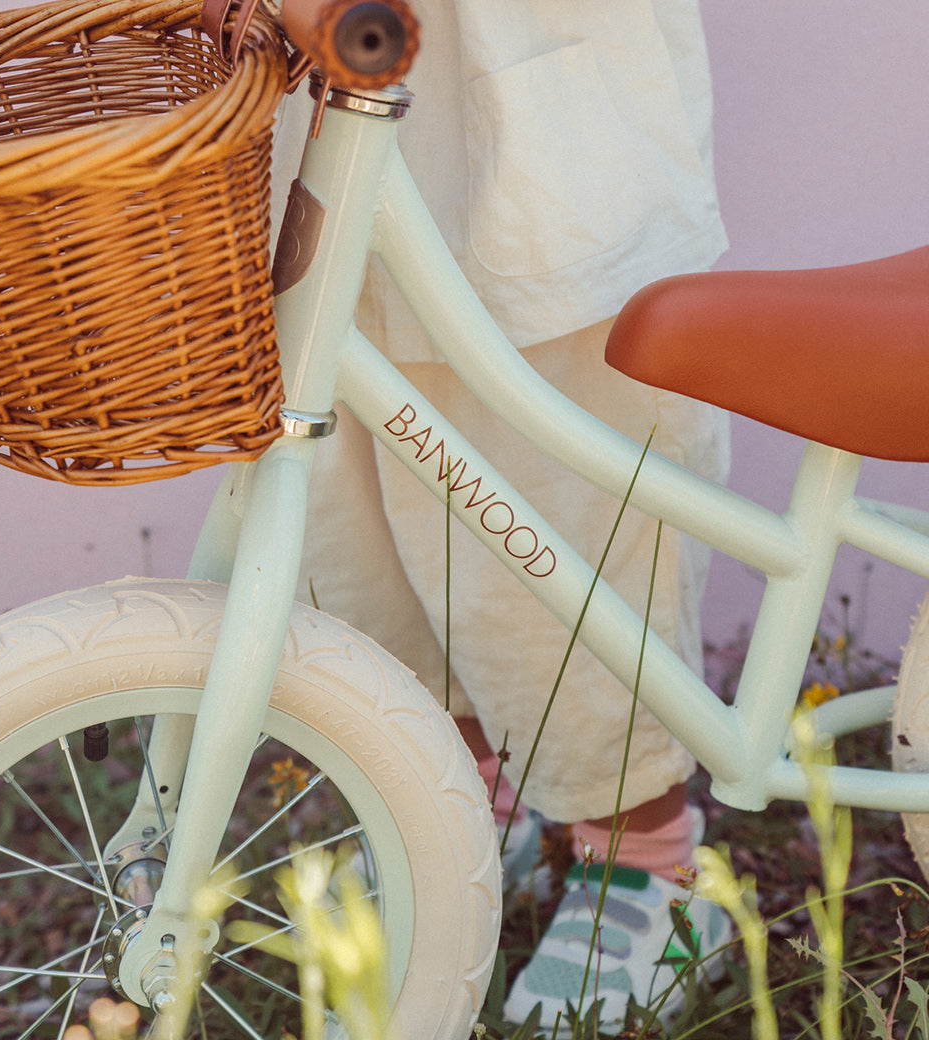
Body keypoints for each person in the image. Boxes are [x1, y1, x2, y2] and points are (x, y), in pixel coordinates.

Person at [270, 0, 731, 1028]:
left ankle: (643, 860)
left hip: (536, 106)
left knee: (553, 491)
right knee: (356, 507)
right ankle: (464, 803)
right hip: (322, 100)